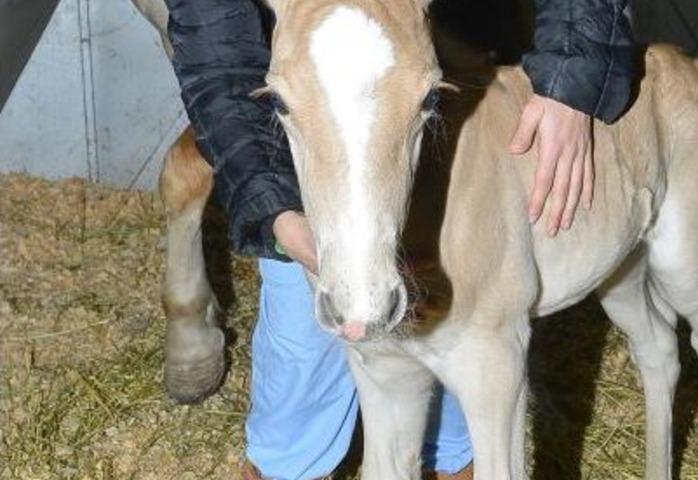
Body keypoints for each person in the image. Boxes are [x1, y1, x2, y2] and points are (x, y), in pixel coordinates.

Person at [162, 0, 640, 479]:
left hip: (444, 59)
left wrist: (571, 76)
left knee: (466, 277)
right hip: (309, 78)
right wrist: (277, 214)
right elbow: (216, 53)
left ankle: (452, 452)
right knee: (300, 331)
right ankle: (293, 454)